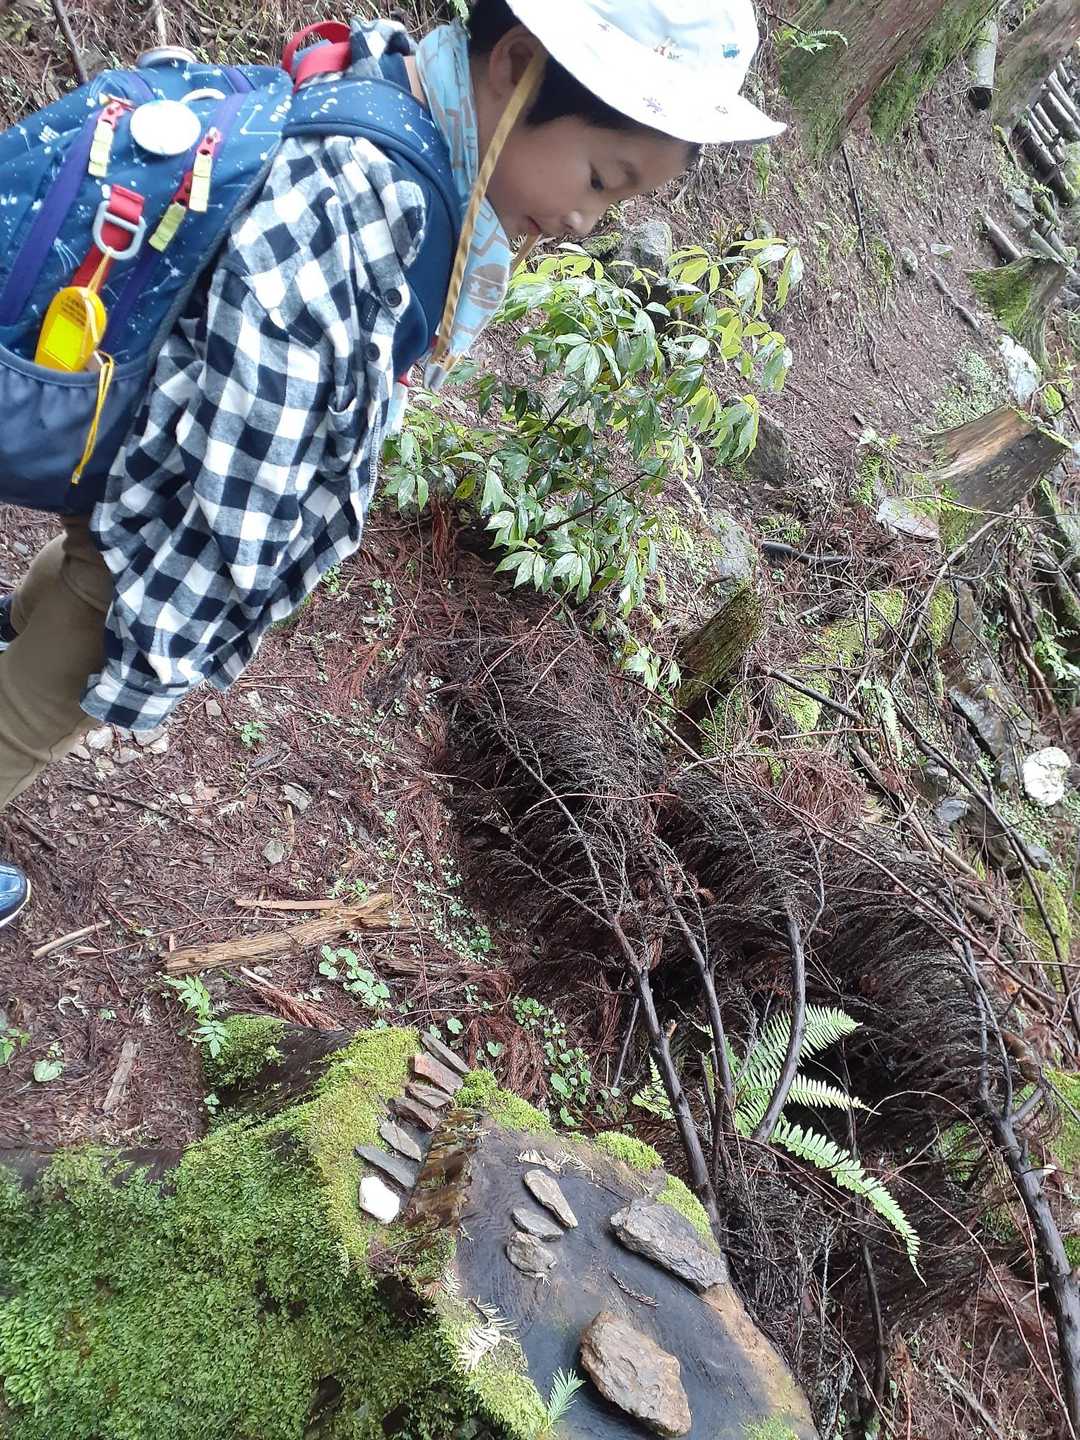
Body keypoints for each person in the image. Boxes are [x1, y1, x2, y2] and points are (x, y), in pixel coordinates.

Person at [0, 0, 781, 929]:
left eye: (620, 202)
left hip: (142, 434)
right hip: (177, 496)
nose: (586, 219)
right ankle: (30, 662)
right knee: (51, 694)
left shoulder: (391, 85)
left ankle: (24, 625)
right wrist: (192, 616)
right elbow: (256, 437)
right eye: (602, 178)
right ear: (517, 63)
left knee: (91, 564)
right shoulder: (371, 196)